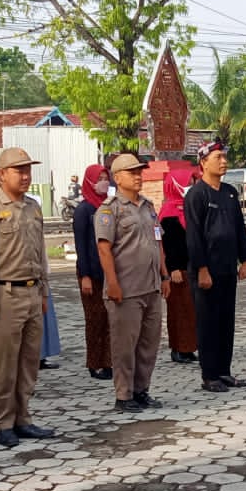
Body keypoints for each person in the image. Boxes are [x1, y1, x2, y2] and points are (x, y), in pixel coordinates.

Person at [0, 148, 58, 448]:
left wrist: (44, 291)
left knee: (29, 361)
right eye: (18, 170)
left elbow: (41, 253)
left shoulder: (33, 207)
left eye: (27, 170)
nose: (25, 176)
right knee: (5, 364)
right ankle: (4, 422)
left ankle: (24, 418)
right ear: (1, 175)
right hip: (5, 294)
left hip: (32, 292)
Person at [95, 153, 169, 412]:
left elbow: (158, 241)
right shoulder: (109, 210)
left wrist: (164, 275)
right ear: (117, 178)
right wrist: (112, 283)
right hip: (126, 289)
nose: (138, 176)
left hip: (151, 286)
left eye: (140, 172)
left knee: (149, 343)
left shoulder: (148, 206)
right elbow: (104, 249)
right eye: (132, 172)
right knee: (125, 346)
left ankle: (141, 390)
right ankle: (124, 395)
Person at [184, 141, 246, 392]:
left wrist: (245, 259)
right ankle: (209, 375)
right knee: (208, 323)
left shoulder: (230, 192)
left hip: (227, 268)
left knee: (226, 321)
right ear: (203, 162)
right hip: (206, 270)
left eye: (225, 157)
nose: (224, 161)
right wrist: (202, 269)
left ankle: (224, 371)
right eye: (218, 157)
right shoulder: (196, 195)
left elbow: (239, 227)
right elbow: (193, 235)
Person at [71, 163, 113, 380]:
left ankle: (108, 361)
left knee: (109, 319)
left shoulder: (108, 206)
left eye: (106, 178)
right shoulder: (84, 210)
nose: (103, 182)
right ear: (89, 182)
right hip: (91, 273)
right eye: (99, 179)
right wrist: (85, 275)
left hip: (108, 271)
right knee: (95, 319)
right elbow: (81, 245)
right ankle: (94, 362)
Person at [159, 168, 199, 364]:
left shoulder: (189, 208)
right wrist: (173, 268)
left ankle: (189, 347)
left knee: (191, 311)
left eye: (192, 182)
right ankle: (178, 348)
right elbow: (168, 244)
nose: (191, 186)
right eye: (187, 183)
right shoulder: (168, 212)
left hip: (191, 267)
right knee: (178, 311)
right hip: (177, 270)